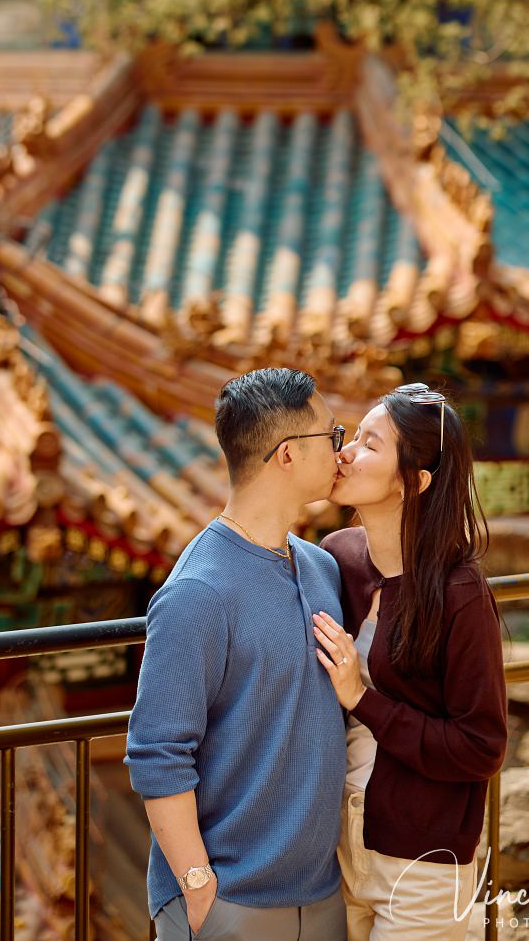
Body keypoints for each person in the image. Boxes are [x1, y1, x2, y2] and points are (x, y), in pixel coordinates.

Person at [124, 367, 350, 941]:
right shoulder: (197, 592)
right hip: (231, 905)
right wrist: (201, 892)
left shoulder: (322, 568)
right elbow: (157, 753)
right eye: (332, 435)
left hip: (323, 895)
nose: (341, 449)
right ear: (288, 455)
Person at [314, 382, 508, 941]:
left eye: (370, 444)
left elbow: (481, 746)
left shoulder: (459, 591)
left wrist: (363, 699)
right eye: (352, 436)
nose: (344, 452)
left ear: (414, 482)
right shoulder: (337, 556)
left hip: (422, 863)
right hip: (335, 844)